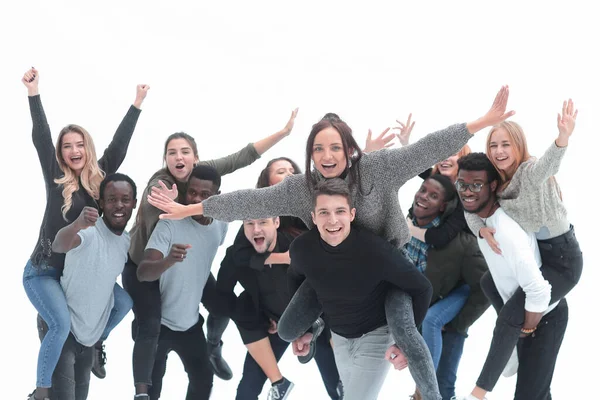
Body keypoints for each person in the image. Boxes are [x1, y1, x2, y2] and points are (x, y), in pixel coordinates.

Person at [147, 86, 515, 400]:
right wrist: (189, 208)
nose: (327, 157)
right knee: (291, 328)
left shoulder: (375, 169)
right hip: (334, 271)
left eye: (335, 148)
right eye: (319, 149)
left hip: (385, 273)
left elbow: (425, 149)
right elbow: (249, 201)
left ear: (348, 150)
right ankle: (315, 332)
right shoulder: (301, 189)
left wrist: (481, 121)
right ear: (310, 153)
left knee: (406, 330)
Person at [122, 109, 299, 397]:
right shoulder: (162, 186)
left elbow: (241, 157)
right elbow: (147, 260)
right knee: (151, 325)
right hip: (142, 263)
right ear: (165, 160)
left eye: (185, 152)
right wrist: (170, 207)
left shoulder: (210, 194)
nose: (179, 158)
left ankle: (214, 346)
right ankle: (139, 388)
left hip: (190, 269)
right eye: (172, 153)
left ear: (195, 157)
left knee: (228, 304)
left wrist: (282, 133)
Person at [21, 68, 148, 400]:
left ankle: (95, 342)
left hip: (72, 278)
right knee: (61, 326)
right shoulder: (55, 178)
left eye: (79, 144)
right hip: (43, 272)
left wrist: (136, 104)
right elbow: (40, 136)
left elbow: (118, 146)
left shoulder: (99, 183)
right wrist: (34, 93)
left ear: (87, 148)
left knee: (122, 301)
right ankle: (40, 391)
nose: (73, 150)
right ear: (61, 153)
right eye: (67, 146)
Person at [461, 100, 583, 398]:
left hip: (563, 260)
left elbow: (548, 165)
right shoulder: (498, 183)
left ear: (518, 146)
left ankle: (481, 388)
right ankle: (515, 338)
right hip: (541, 256)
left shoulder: (529, 171)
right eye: (494, 146)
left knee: (517, 308)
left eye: (505, 145)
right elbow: (470, 206)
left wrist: (562, 138)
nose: (499, 151)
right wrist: (479, 228)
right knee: (489, 281)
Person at [287, 178, 435, 400]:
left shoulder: (374, 250)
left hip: (376, 336)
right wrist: (305, 328)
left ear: (352, 214)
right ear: (314, 217)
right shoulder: (302, 249)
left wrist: (404, 342)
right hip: (339, 336)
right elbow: (295, 280)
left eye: (340, 211)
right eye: (324, 212)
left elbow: (422, 288)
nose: (333, 220)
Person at [454, 153, 570, 400]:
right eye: (462, 184)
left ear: (492, 185)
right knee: (487, 281)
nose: (467, 191)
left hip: (546, 317)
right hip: (529, 312)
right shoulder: (482, 223)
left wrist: (526, 329)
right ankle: (512, 347)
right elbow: (465, 204)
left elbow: (539, 290)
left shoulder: (505, 231)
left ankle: (477, 394)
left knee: (529, 396)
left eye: (476, 185)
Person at [216, 215, 342, 400]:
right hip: (274, 323)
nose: (256, 229)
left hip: (315, 321)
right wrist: (258, 317)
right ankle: (279, 383)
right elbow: (222, 297)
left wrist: (308, 328)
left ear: (276, 222)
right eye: (249, 224)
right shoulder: (237, 256)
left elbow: (331, 290)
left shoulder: (300, 248)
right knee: (246, 391)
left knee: (340, 386)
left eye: (263, 222)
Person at [136, 165, 228, 400]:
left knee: (203, 380)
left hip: (190, 325)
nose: (196, 199)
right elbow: (143, 272)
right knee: (152, 389)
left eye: (204, 195)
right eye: (192, 192)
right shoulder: (170, 223)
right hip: (160, 326)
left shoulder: (221, 225)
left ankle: (215, 345)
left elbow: (202, 262)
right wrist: (168, 261)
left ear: (216, 196)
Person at [44, 174, 137, 400]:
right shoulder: (89, 230)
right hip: (64, 331)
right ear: (102, 203)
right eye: (112, 199)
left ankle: (98, 342)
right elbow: (59, 244)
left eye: (125, 199)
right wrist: (77, 225)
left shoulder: (125, 241)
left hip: (87, 338)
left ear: (134, 203)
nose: (119, 205)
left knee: (125, 301)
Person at [403, 175, 489, 400]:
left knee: (443, 384)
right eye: (423, 190)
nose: (423, 197)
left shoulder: (458, 243)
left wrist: (457, 323)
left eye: (433, 196)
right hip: (422, 307)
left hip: (454, 305)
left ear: (443, 206)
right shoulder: (404, 226)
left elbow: (485, 287)